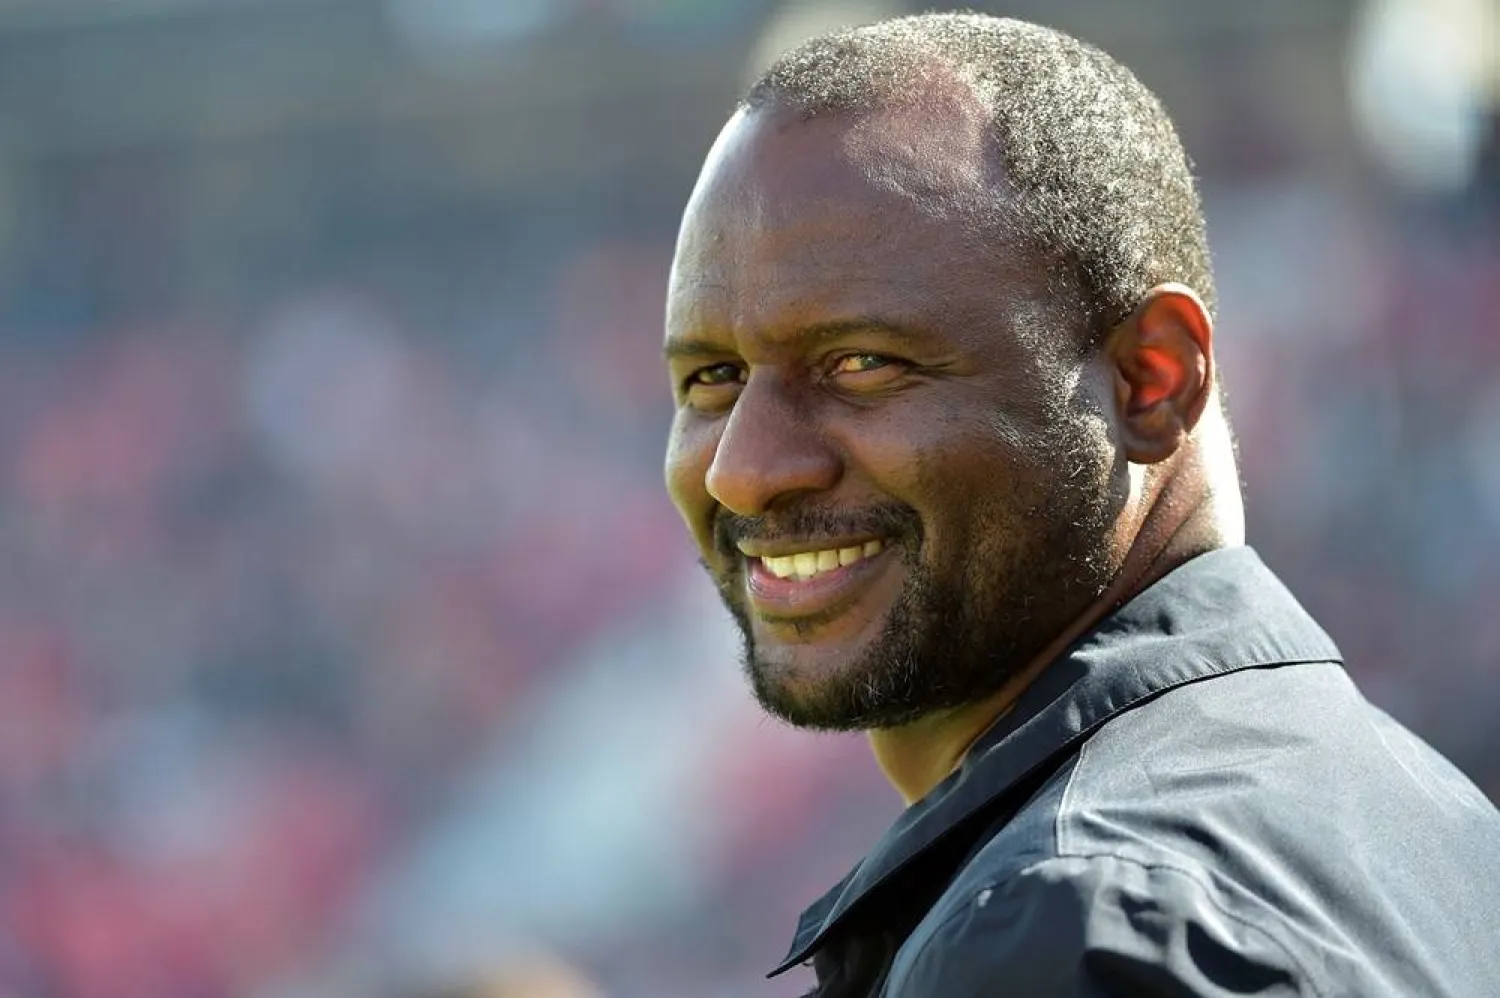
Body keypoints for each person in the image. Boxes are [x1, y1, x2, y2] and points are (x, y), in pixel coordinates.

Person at [660, 12, 1500, 998]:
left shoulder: (1064, 920)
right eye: (712, 378)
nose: (743, 469)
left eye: (861, 362)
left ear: (1152, 380)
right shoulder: (1445, 829)